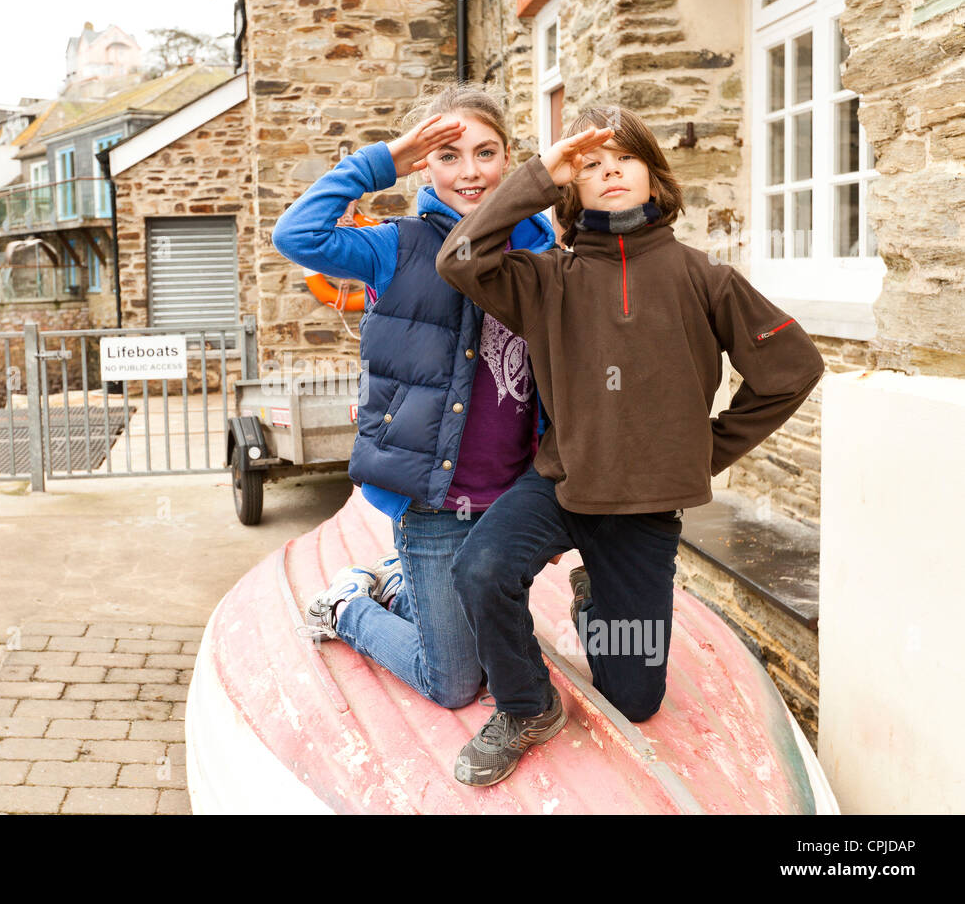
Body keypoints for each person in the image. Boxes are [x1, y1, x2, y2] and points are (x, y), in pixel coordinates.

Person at [435, 105, 826, 786]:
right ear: (570, 187)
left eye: (625, 157)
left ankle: (594, 596)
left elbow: (791, 369)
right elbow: (458, 257)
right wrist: (535, 175)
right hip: (561, 486)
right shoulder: (543, 280)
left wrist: (701, 454)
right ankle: (527, 706)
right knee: (479, 569)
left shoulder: (707, 278)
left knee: (635, 700)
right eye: (589, 163)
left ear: (654, 175)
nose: (609, 169)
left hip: (645, 513)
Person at [272, 82, 580, 710]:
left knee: (498, 665)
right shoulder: (395, 245)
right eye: (448, 155)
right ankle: (348, 607)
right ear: (424, 164)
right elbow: (296, 236)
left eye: (486, 153)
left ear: (510, 157)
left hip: (514, 499)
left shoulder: (546, 249)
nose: (470, 172)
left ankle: (403, 585)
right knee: (457, 684)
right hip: (435, 498)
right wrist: (384, 158)